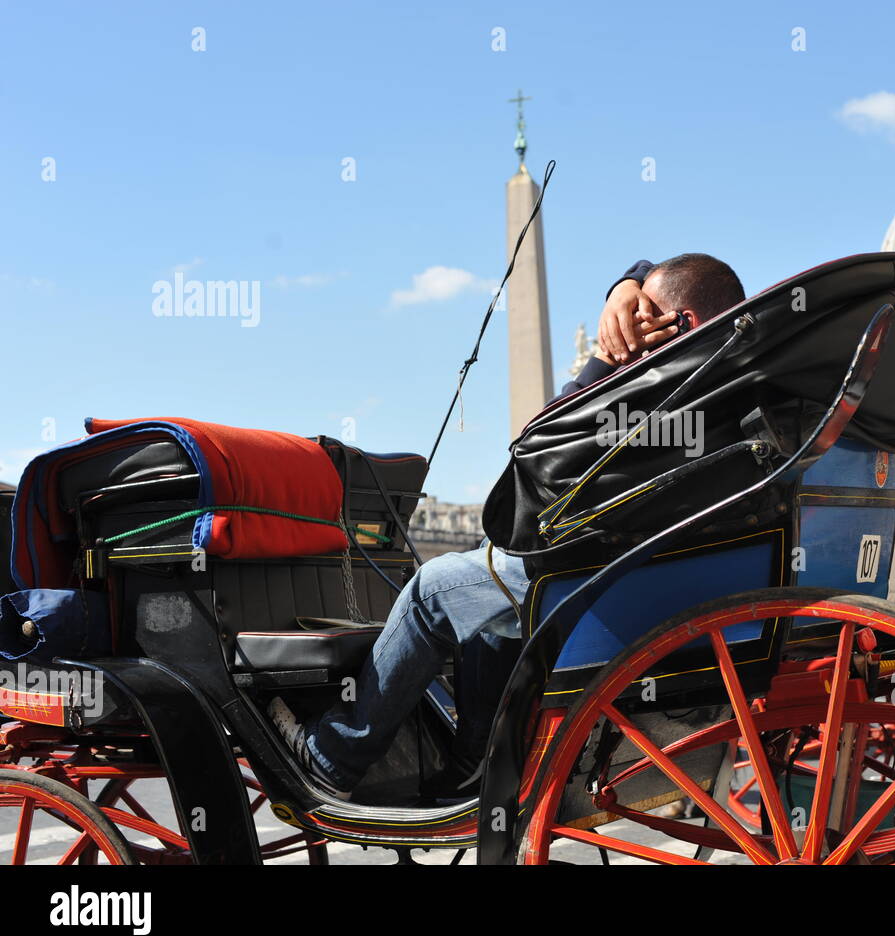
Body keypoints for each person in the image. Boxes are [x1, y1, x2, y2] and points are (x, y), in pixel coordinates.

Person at [269, 254, 747, 799]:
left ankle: (336, 754)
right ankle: (478, 752)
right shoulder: (740, 380)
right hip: (695, 596)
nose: (629, 329)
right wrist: (629, 283)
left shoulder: (668, 385)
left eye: (643, 316)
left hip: (614, 591)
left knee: (433, 590)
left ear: (679, 324)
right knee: (489, 578)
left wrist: (598, 360)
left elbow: (537, 449)